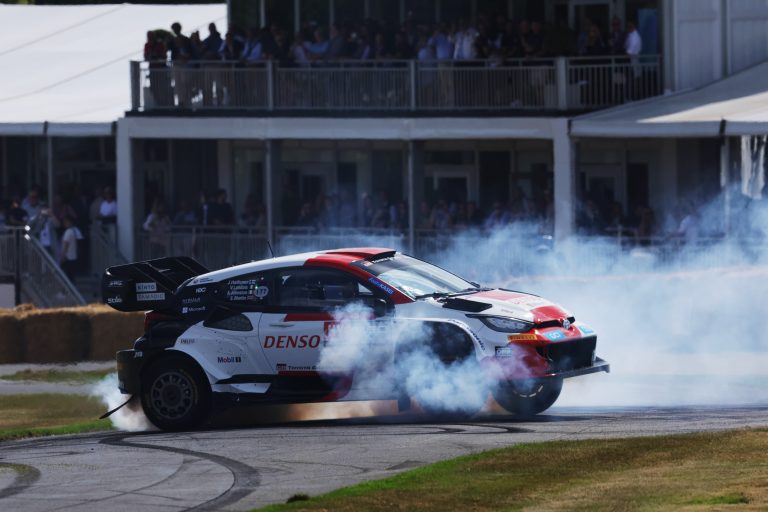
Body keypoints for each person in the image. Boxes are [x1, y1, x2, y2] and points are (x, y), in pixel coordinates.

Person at [59, 216, 82, 280]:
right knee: (71, 276)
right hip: (73, 257)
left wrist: (63, 255)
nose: (65, 224)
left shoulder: (68, 232)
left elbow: (66, 244)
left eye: (66, 222)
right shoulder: (74, 231)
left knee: (67, 276)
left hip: (68, 257)